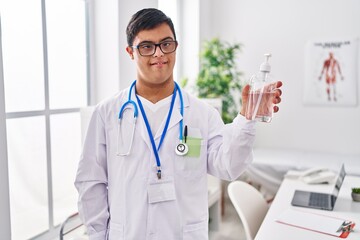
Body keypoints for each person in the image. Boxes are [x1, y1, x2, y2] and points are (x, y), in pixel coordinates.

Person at [75, 8, 283, 240]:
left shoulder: (202, 114)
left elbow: (229, 166)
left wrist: (247, 117)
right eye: (146, 46)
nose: (158, 54)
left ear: (176, 46)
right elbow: (90, 182)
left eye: (166, 44)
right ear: (130, 52)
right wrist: (98, 235)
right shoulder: (107, 113)